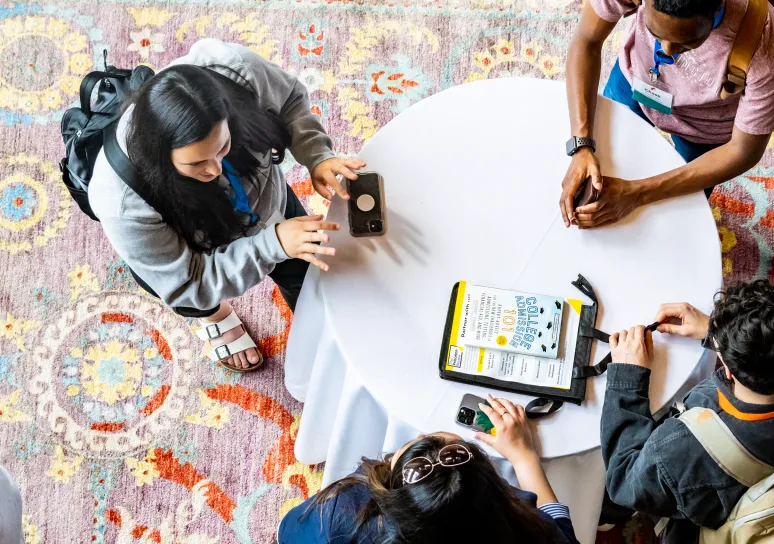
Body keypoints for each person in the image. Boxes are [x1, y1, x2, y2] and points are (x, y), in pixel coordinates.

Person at [89, 39, 365, 373]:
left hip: (268, 202)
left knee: (306, 278)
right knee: (200, 303)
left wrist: (317, 156)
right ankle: (217, 318)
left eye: (223, 147)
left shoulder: (236, 70)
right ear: (160, 156)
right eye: (196, 164)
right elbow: (189, 285)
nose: (215, 170)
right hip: (193, 246)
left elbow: (290, 99)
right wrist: (272, 244)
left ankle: (312, 322)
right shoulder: (122, 203)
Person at [600, 280, 774, 542]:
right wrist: (725, 335)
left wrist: (627, 378)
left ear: (727, 369)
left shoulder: (682, 451)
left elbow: (623, 482)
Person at [561, 0, 774, 228]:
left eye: (688, 41)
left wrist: (637, 193)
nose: (667, 51)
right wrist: (581, 145)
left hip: (705, 130)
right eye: (655, 32)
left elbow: (743, 152)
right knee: (608, 159)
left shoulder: (766, 49)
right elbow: (587, 41)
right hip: (634, 82)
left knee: (676, 215)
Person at [278, 396, 578, 543]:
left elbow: (289, 532)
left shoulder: (345, 510)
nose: (421, 437)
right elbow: (560, 533)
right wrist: (524, 458)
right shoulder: (525, 528)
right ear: (499, 493)